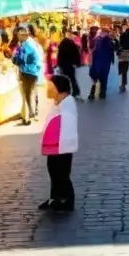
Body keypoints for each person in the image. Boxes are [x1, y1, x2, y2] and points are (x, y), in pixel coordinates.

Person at [41, 74, 79, 211]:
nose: (47, 89)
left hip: (62, 147)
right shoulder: (59, 103)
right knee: (54, 171)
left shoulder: (67, 104)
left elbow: (66, 128)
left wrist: (59, 145)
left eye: (50, 87)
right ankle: (55, 198)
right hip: (55, 146)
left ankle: (67, 200)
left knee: (61, 173)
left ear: (58, 89)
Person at [12, 25, 42, 124]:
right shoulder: (30, 43)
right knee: (30, 93)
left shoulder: (26, 45)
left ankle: (27, 117)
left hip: (27, 72)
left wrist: (15, 57)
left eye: (19, 34)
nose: (18, 36)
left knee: (26, 94)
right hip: (32, 72)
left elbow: (20, 60)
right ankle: (30, 113)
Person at [89, 26, 115, 100]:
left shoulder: (98, 39)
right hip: (103, 62)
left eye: (104, 32)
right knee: (102, 77)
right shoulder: (104, 40)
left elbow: (93, 50)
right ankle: (101, 93)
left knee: (96, 77)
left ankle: (94, 94)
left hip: (99, 62)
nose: (103, 33)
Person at [55, 32, 82, 97]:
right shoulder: (71, 43)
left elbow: (59, 55)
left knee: (66, 78)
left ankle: (68, 91)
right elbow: (76, 54)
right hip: (70, 64)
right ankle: (75, 91)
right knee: (72, 78)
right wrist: (77, 63)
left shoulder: (63, 43)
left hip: (63, 64)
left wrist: (58, 63)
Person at [118, 21, 129, 92]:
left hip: (122, 54)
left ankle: (123, 84)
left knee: (123, 69)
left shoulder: (123, 36)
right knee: (125, 69)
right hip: (126, 54)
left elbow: (120, 44)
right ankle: (123, 84)